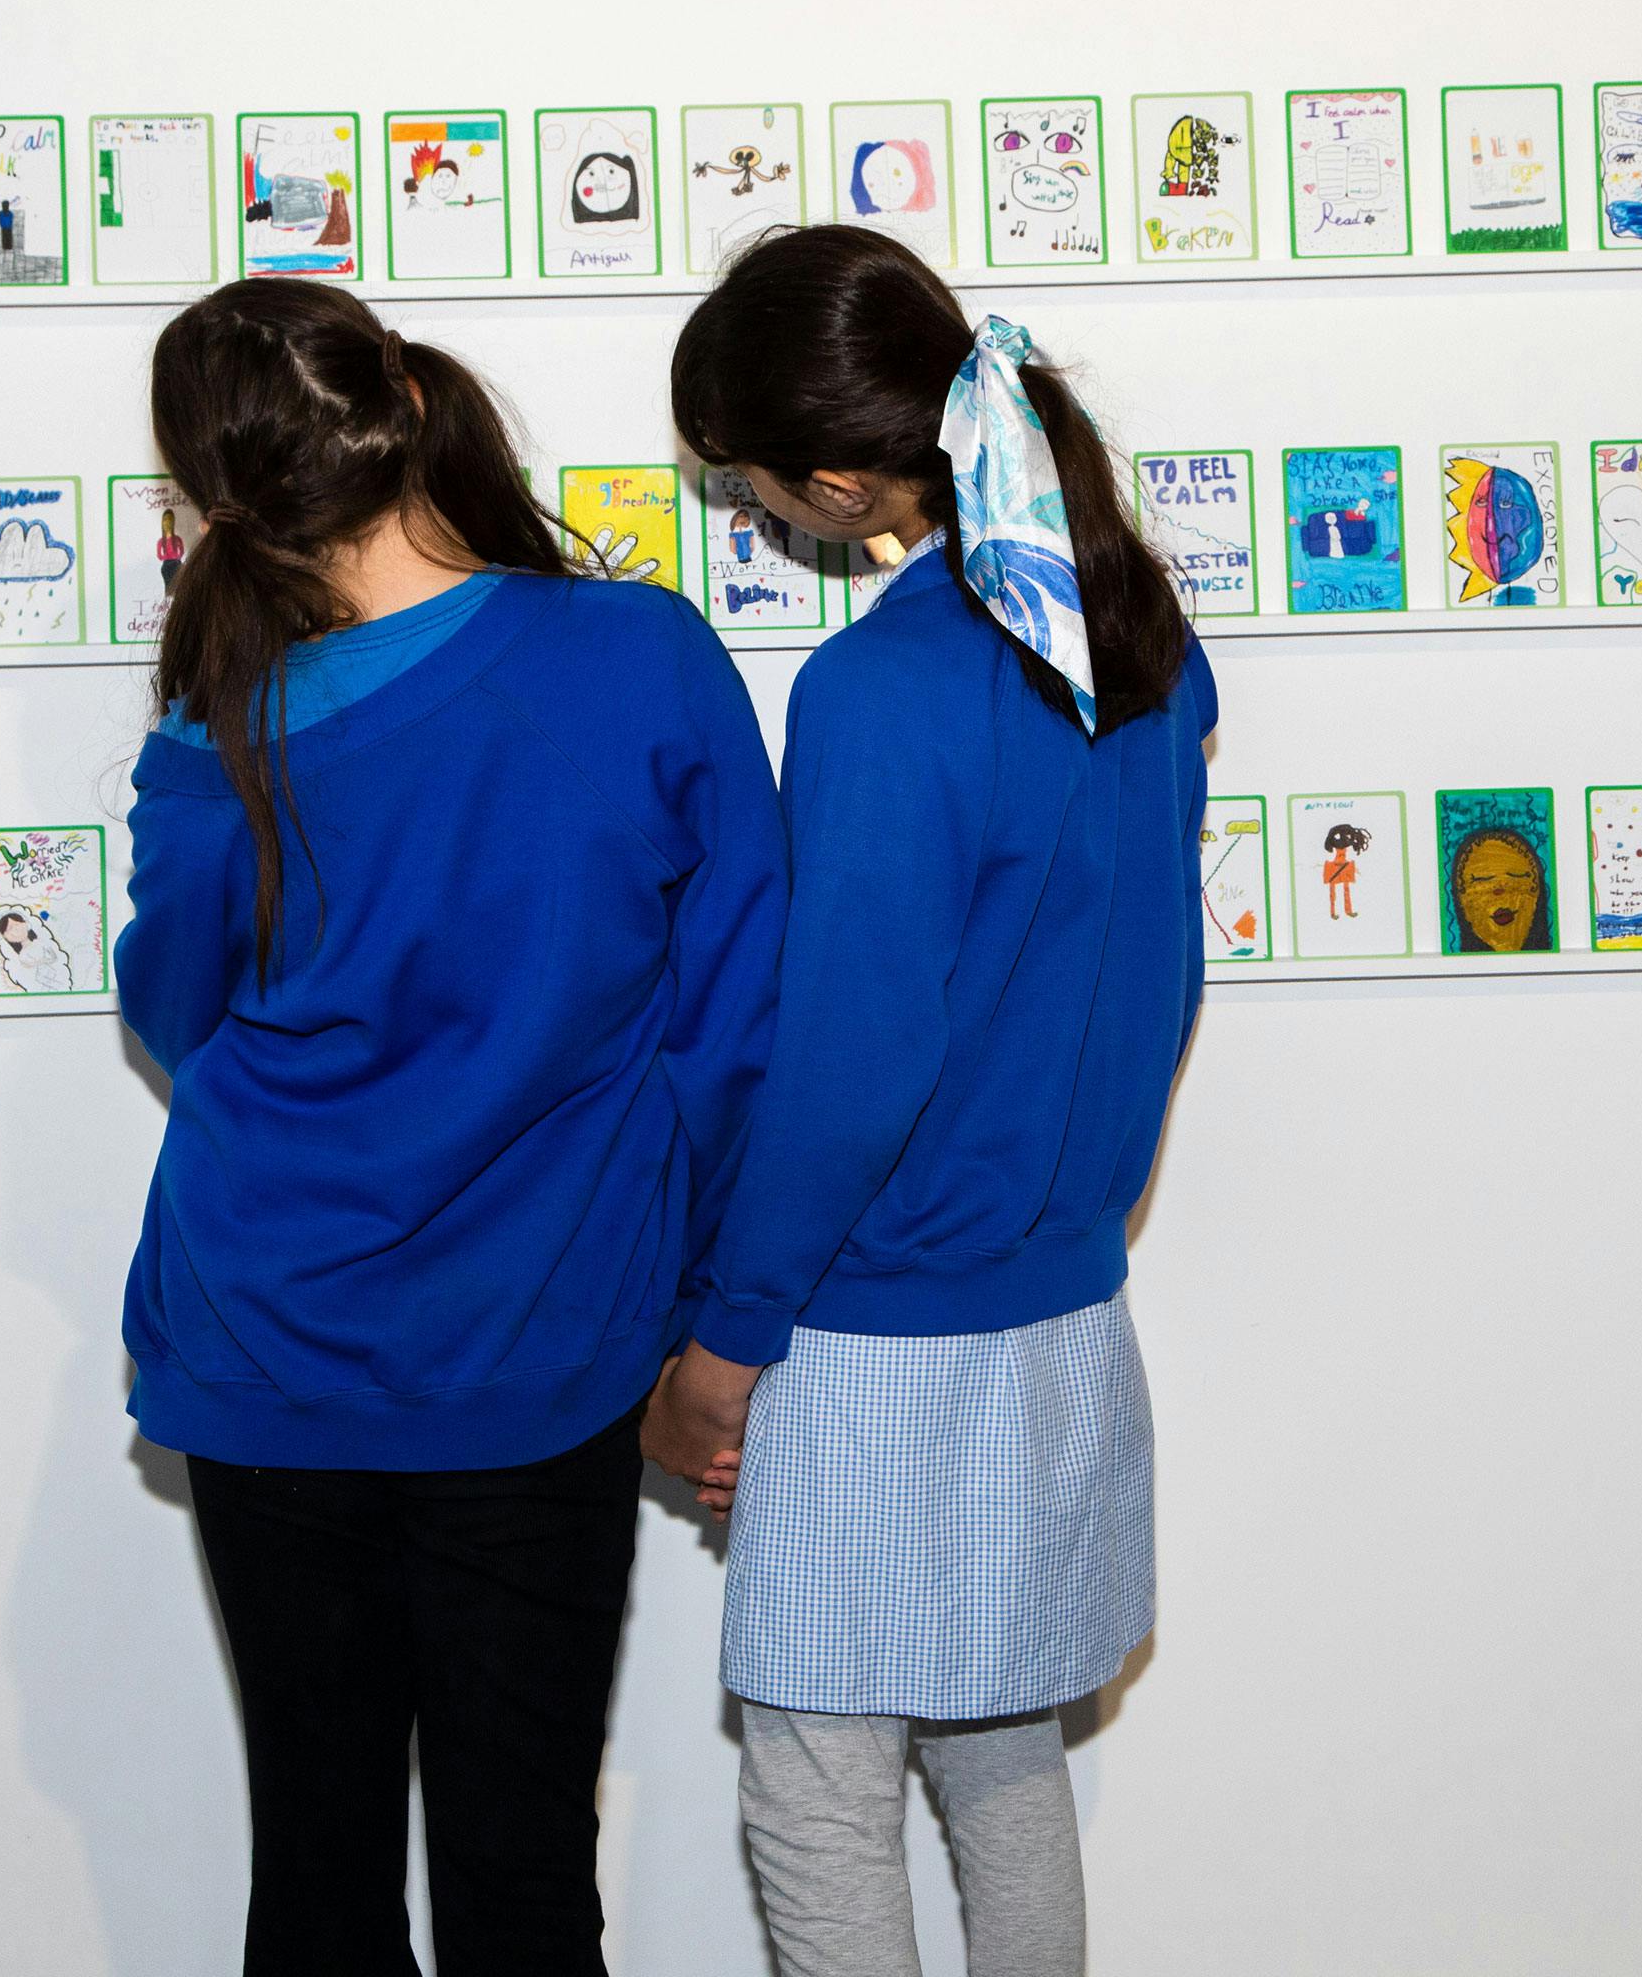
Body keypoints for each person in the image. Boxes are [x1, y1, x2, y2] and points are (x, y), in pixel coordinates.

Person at [114, 277, 787, 1975]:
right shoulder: (640, 655)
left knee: (319, 1879)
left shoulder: (221, 725)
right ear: (411, 403)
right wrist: (715, 1305)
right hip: (540, 1348)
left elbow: (174, 1009)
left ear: (220, 506)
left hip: (267, 1343)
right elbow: (736, 1023)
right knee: (524, 1881)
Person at [647, 224, 1216, 1976]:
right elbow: (1147, 986)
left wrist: (725, 1341)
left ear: (831, 479)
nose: (749, 515)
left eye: (744, 487)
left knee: (817, 1785)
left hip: (880, 1325)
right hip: (1056, 1312)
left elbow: (852, 1058)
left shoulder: (884, 688)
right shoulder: (1138, 639)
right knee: (1002, 1760)